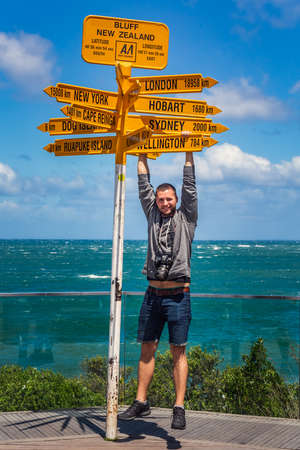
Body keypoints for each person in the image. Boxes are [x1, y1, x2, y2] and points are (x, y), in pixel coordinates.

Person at [118, 152, 198, 430]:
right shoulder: (152, 215)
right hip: (152, 296)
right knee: (146, 349)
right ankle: (141, 402)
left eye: (169, 200)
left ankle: (179, 407)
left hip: (178, 296)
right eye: (161, 199)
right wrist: (141, 152)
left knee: (178, 352)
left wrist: (189, 151)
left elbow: (190, 187)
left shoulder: (187, 219)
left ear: (176, 202)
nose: (164, 203)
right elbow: (143, 184)